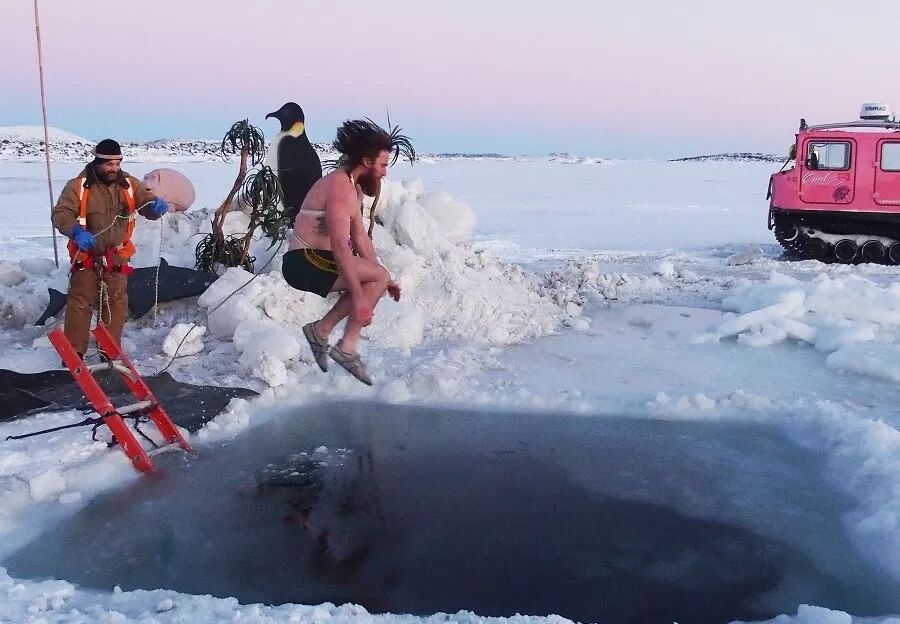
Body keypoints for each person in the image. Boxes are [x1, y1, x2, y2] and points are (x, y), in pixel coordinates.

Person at [281, 120, 409, 385]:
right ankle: (344, 347)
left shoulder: (353, 188)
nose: (384, 173)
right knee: (374, 279)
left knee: (378, 277)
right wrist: (360, 298)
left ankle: (323, 332)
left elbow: (359, 238)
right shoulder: (340, 187)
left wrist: (384, 280)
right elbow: (341, 245)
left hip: (319, 259)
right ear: (367, 161)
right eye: (383, 165)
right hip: (303, 261)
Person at [51, 139, 169, 358]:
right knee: (80, 302)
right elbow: (61, 214)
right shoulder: (78, 186)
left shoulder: (129, 184)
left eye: (117, 163)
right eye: (109, 164)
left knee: (115, 302)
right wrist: (76, 232)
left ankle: (109, 352)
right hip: (86, 255)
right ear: (97, 162)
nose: (114, 168)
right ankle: (74, 355)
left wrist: (154, 206)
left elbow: (145, 202)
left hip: (116, 256)